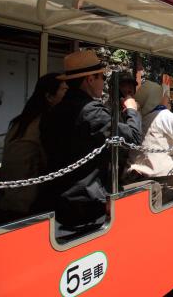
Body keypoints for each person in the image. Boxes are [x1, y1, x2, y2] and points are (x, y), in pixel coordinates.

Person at [40, 50, 142, 233]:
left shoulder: (54, 111)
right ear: (89, 79)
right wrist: (132, 111)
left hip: (57, 199)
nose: (103, 82)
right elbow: (133, 137)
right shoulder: (92, 112)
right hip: (87, 205)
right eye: (101, 76)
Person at [0, 73, 68, 225]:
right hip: (27, 201)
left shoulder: (20, 121)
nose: (68, 94)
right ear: (49, 96)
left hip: (5, 196)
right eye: (64, 90)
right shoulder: (46, 123)